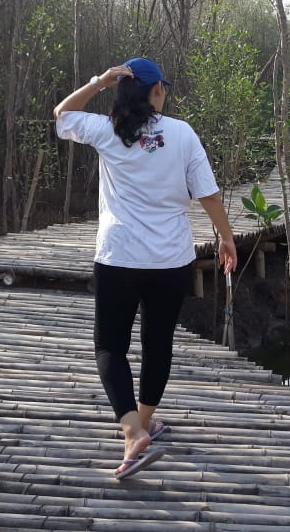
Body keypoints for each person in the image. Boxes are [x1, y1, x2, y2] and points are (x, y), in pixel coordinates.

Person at [53, 57, 237, 479]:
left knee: (110, 347)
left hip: (118, 258)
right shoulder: (182, 133)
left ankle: (133, 429)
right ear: (156, 91)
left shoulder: (107, 130)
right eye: (164, 88)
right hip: (171, 260)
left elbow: (62, 115)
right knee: (158, 344)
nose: (166, 93)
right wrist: (225, 237)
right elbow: (207, 194)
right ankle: (145, 420)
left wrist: (99, 82)